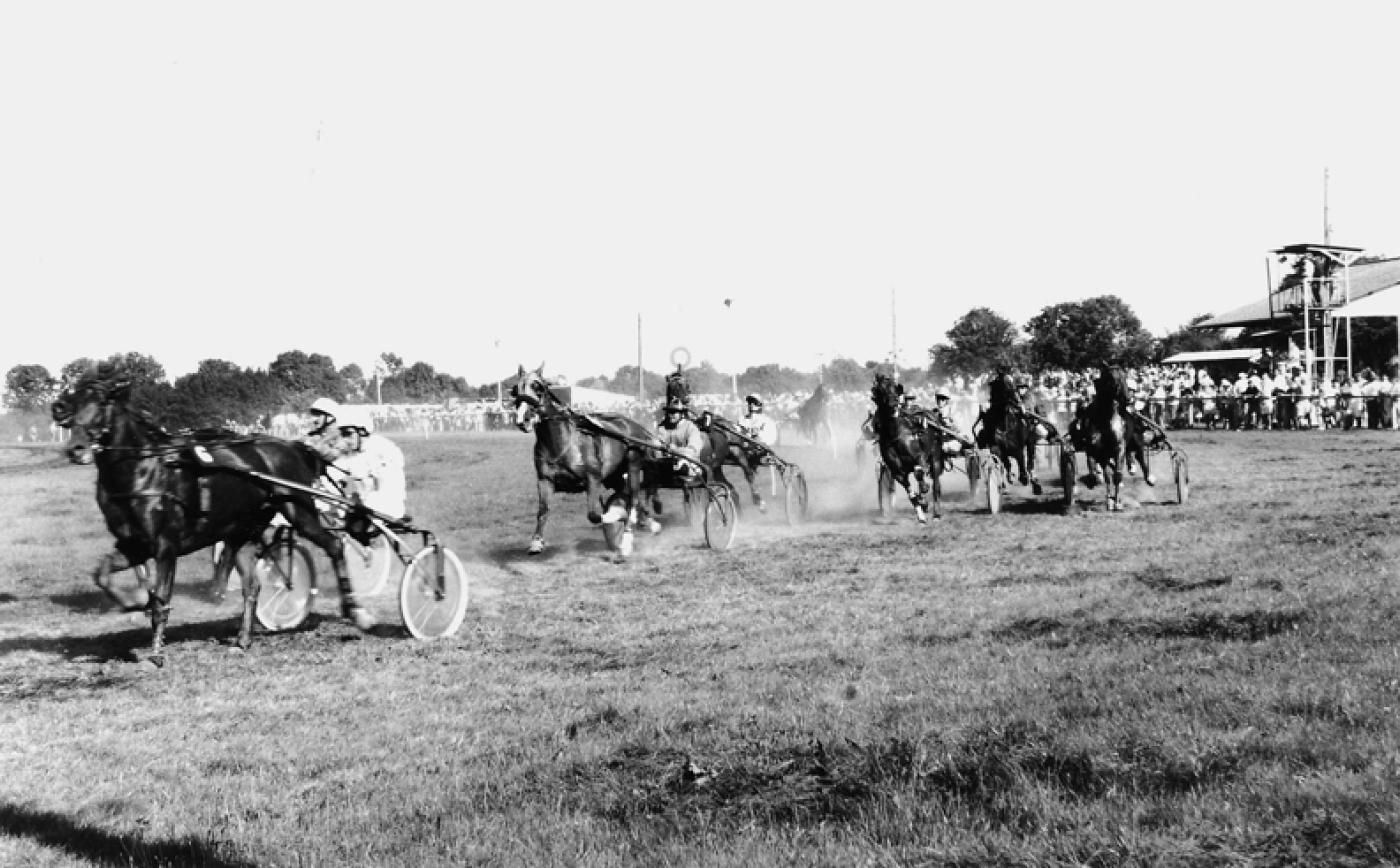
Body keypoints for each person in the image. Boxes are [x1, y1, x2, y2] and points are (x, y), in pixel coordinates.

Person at [335, 405, 407, 520]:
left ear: (362, 431)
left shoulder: (382, 449)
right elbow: (337, 472)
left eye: (348, 434)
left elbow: (387, 488)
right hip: (368, 505)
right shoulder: (354, 453)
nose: (345, 439)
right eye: (342, 435)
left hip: (387, 505)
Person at [657, 399, 707, 480]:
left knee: (680, 467)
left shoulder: (690, 427)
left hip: (688, 464)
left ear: (682, 414)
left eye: (674, 412)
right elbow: (657, 445)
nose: (671, 415)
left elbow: (693, 450)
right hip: (666, 462)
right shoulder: (662, 428)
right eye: (669, 412)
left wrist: (675, 450)